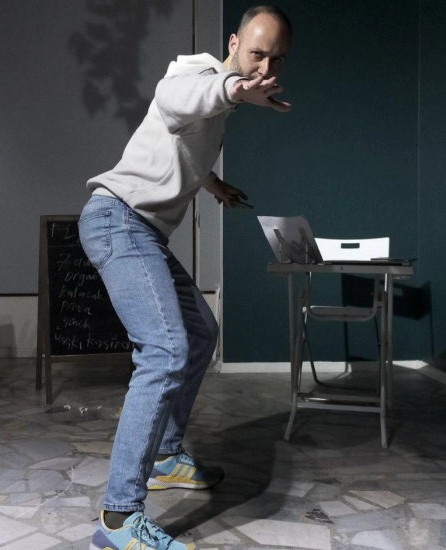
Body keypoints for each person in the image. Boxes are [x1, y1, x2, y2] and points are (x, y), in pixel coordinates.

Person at [79, 6, 292, 550]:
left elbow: (181, 140)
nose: (263, 66)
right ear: (232, 43)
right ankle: (118, 521)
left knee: (200, 332)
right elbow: (177, 100)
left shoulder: (220, 101)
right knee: (167, 349)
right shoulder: (194, 73)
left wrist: (212, 184)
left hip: (141, 231)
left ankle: (167, 457)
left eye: (275, 59)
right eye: (255, 53)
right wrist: (237, 89)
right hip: (118, 220)